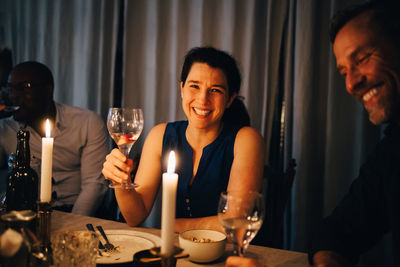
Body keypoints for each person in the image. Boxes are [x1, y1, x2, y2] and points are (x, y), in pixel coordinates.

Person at [102, 46, 265, 232]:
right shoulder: (160, 135)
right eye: (194, 86)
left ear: (229, 99)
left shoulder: (246, 140)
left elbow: (236, 222)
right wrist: (121, 182)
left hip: (230, 256)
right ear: (182, 89)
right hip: (178, 252)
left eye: (216, 90)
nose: (203, 100)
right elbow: (135, 216)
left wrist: (175, 226)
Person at [308, 1, 400, 266]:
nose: (351, 84)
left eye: (362, 59)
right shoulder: (391, 151)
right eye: (344, 71)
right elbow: (336, 231)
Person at [0, 61, 109, 216]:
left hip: (76, 212)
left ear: (48, 90)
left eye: (24, 87)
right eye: (11, 88)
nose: (14, 96)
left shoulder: (87, 122)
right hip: (27, 215)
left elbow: (94, 185)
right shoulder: (6, 129)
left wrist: (72, 223)